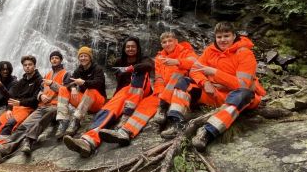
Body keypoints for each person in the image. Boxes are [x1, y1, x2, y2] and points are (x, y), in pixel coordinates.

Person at [166, 21, 266, 151]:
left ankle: (206, 133)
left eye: (226, 36)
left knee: (242, 94)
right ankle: (176, 124)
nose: (222, 40)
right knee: (184, 82)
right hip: (215, 93)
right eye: (219, 37)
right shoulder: (210, 50)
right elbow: (195, 70)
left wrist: (214, 73)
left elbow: (243, 85)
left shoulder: (245, 53)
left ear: (234, 36)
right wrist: (205, 82)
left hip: (241, 98)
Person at [99, 32, 197, 146]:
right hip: (164, 92)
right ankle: (125, 132)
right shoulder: (159, 58)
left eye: (170, 41)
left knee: (178, 75)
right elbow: (159, 78)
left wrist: (178, 62)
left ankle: (170, 117)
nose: (167, 44)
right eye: (164, 42)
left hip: (181, 90)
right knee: (145, 105)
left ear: (176, 41)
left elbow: (195, 62)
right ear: (161, 44)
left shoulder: (186, 51)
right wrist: (159, 92)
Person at [63, 37, 153, 157]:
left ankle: (126, 115)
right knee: (109, 110)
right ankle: (88, 141)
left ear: (138, 48)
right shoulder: (118, 62)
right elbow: (120, 84)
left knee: (139, 72)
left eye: (133, 46)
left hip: (144, 91)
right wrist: (114, 98)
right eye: (128, 47)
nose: (130, 49)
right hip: (125, 92)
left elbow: (148, 66)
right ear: (124, 49)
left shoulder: (144, 59)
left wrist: (130, 68)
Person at [0, 51, 71, 162]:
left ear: (61, 60)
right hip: (41, 106)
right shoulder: (47, 74)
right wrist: (41, 95)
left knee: (27, 124)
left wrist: (51, 84)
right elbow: (39, 92)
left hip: (56, 107)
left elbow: (66, 90)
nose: (54, 60)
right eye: (52, 58)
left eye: (57, 58)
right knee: (21, 127)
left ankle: (27, 140)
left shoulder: (66, 74)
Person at [0, 55, 43, 156]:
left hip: (27, 109)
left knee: (9, 124)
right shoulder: (22, 81)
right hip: (15, 108)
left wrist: (19, 102)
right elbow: (11, 96)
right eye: (25, 65)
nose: (27, 67)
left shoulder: (39, 80)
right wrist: (10, 109)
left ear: (34, 66)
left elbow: (35, 100)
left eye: (30, 65)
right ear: (23, 67)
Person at [54, 46, 107, 138]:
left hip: (98, 102)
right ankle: (63, 121)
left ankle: (76, 121)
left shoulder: (97, 69)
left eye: (85, 56)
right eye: (81, 56)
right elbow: (68, 82)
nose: (83, 58)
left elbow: (99, 83)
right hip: (85, 103)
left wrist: (84, 82)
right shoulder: (79, 70)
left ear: (90, 57)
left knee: (90, 89)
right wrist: (73, 87)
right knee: (63, 89)